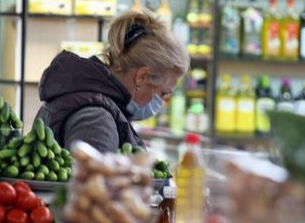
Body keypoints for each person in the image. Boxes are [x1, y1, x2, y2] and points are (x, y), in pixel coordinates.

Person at [35, 10, 189, 153]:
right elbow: (94, 181)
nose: (161, 102)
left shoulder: (86, 94)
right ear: (141, 77)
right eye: (163, 93)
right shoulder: (97, 120)